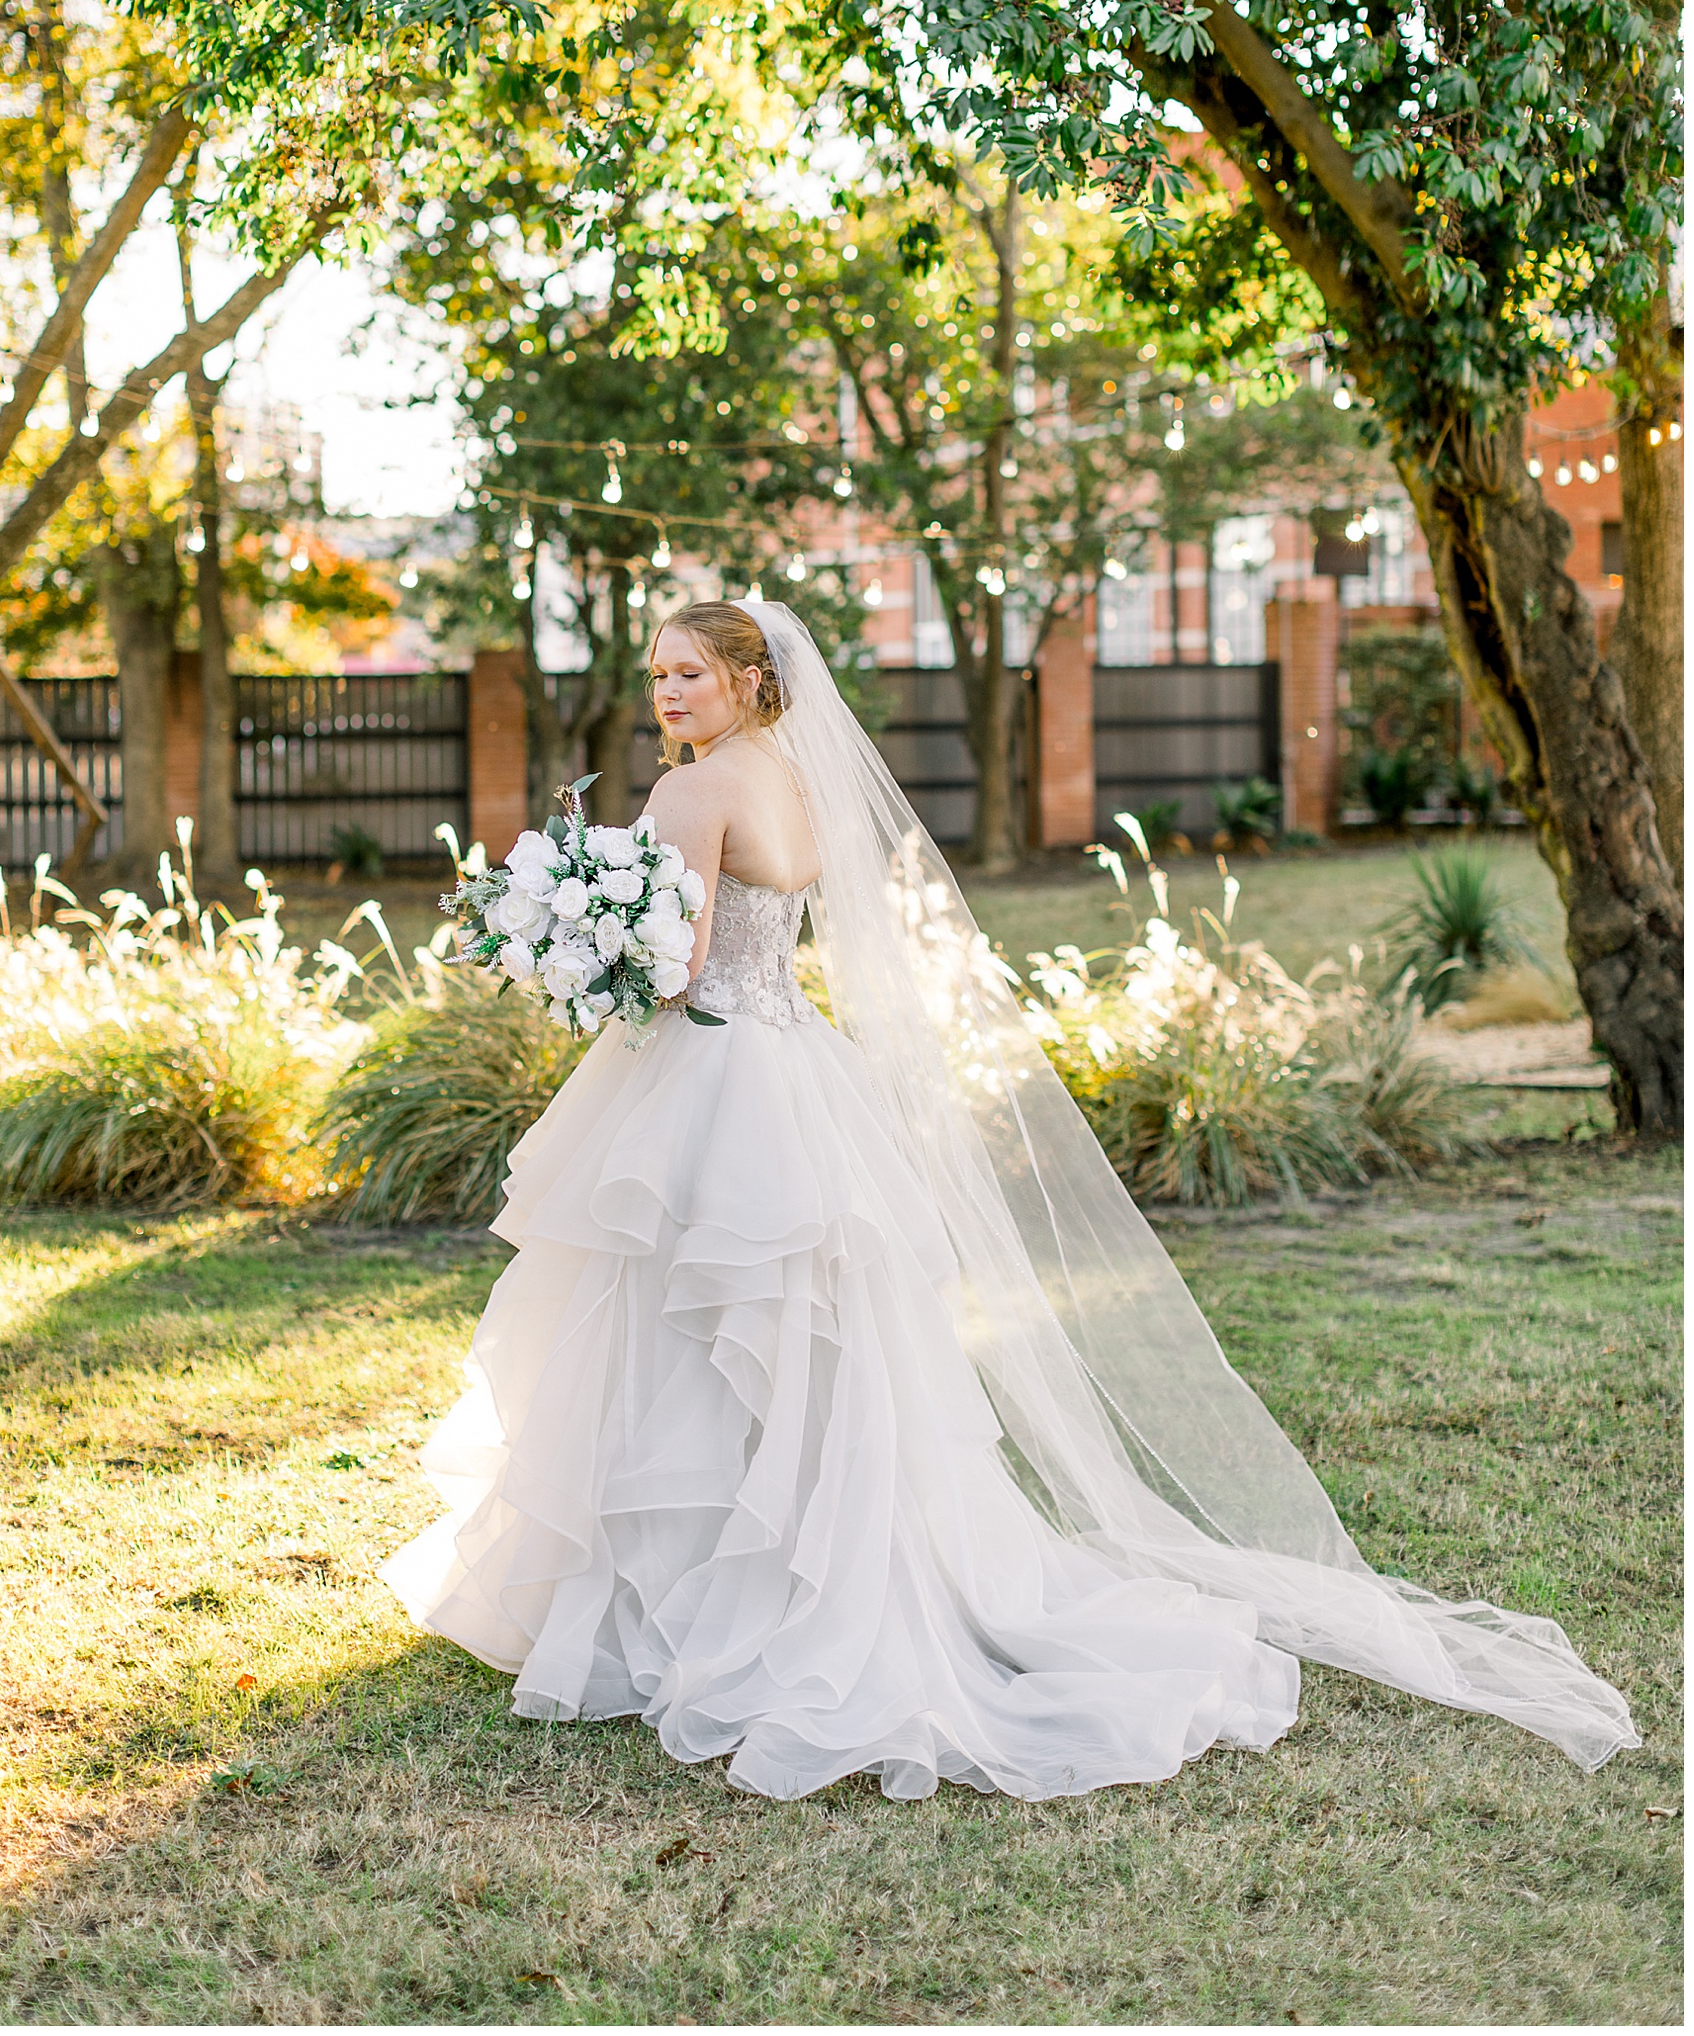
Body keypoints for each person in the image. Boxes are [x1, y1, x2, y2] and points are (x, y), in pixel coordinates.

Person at [382, 600, 1637, 1801]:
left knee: (677, 1318)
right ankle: (785, 1568)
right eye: (657, 673)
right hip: (793, 1068)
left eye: (688, 673)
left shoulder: (694, 785)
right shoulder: (801, 773)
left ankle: (677, 1596)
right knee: (784, 1332)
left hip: (714, 1071)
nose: (667, 690)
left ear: (750, 679)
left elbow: (680, 966)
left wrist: (569, 947)